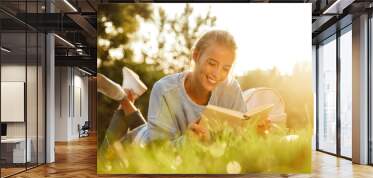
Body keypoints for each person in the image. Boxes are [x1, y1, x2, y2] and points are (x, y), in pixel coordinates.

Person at [101, 30, 269, 149]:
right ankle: (123, 98)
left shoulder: (231, 88)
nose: (217, 74)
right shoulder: (165, 89)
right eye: (212, 63)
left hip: (158, 130)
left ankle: (127, 95)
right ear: (196, 56)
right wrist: (186, 142)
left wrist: (255, 135)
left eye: (226, 68)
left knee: (152, 127)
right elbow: (157, 150)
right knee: (105, 154)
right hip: (140, 146)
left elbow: (238, 139)